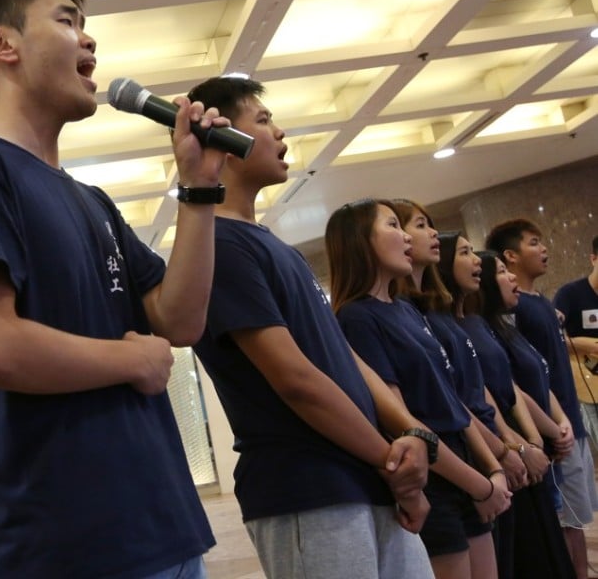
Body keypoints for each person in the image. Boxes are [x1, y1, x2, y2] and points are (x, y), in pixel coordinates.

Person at [0, 0, 223, 578]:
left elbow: (180, 320)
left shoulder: (93, 200)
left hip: (166, 530)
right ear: (3, 45)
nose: (89, 41)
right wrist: (131, 360)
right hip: (69, 547)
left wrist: (199, 188)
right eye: (66, 20)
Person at [185, 77, 433, 579]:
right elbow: (295, 379)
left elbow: (342, 356)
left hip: (362, 474)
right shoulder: (221, 245)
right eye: (263, 121)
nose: (280, 132)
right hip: (309, 487)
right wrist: (392, 461)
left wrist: (408, 433)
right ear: (224, 139)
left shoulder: (271, 245)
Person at [327, 198, 511, 579]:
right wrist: (478, 483)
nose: (407, 237)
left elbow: (454, 405)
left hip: (464, 464)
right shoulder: (357, 317)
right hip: (435, 477)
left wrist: (492, 469)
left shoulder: (407, 309)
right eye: (393, 226)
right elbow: (402, 422)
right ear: (360, 241)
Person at [486, 219, 598, 579]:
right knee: (564, 521)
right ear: (510, 257)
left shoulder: (538, 302)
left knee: (576, 519)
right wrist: (546, 431)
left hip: (566, 423)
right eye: (534, 243)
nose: (544, 249)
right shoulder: (512, 313)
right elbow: (516, 383)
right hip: (551, 433)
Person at [462, 248, 575, 579]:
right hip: (506, 455)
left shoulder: (489, 326)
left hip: (524, 449)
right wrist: (516, 447)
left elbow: (511, 391)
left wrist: (542, 436)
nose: (510, 276)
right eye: (499, 271)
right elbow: (475, 400)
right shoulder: (466, 327)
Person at [553, 235, 598, 445]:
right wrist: (586, 344)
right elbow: (552, 334)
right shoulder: (570, 293)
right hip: (585, 373)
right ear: (593, 259)